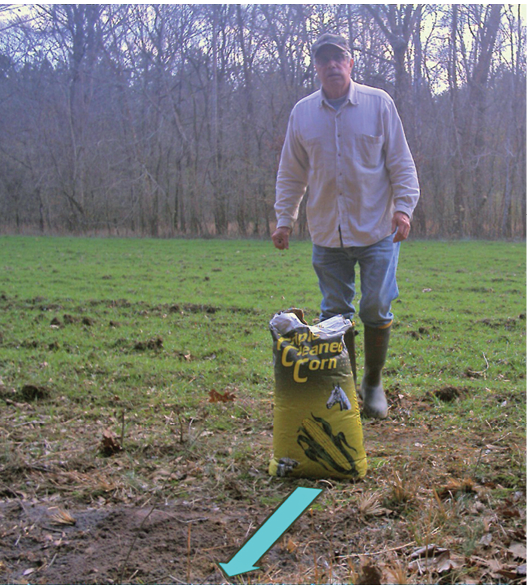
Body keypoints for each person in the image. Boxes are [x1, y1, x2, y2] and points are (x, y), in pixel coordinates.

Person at [272, 33, 420, 419]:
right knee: (334, 314)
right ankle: (346, 385)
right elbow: (291, 173)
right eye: (325, 61)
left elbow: (401, 162)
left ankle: (373, 382)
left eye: (339, 59)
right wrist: (284, 219)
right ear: (317, 68)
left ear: (351, 63)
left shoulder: (378, 104)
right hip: (326, 231)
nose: (333, 66)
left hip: (377, 228)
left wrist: (403, 209)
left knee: (375, 304)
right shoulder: (302, 113)